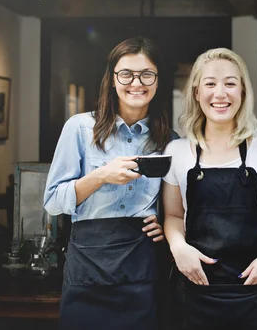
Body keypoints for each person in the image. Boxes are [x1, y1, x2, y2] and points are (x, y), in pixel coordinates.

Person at [44, 37, 172, 330]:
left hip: (143, 266)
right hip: (87, 265)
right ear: (113, 80)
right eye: (126, 73)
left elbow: (177, 206)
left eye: (146, 74)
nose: (136, 82)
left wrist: (166, 222)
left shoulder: (170, 142)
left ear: (157, 81)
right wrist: (102, 175)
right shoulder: (79, 128)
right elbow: (53, 201)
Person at [162, 48, 257, 330]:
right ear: (196, 92)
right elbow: (172, 216)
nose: (220, 93)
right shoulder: (177, 151)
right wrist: (178, 247)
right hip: (197, 292)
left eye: (230, 83)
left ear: (243, 91)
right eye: (210, 84)